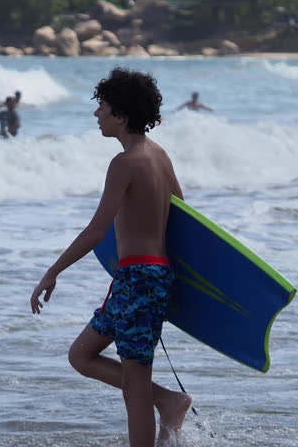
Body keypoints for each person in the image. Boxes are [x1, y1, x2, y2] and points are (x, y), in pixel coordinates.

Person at [30, 68, 191, 447]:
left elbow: (96, 230)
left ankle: (164, 406)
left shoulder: (125, 162)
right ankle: (168, 399)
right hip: (140, 279)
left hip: (140, 280)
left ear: (121, 114)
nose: (96, 115)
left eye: (102, 107)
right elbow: (185, 217)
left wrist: (52, 272)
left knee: (134, 388)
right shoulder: (159, 156)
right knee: (81, 355)